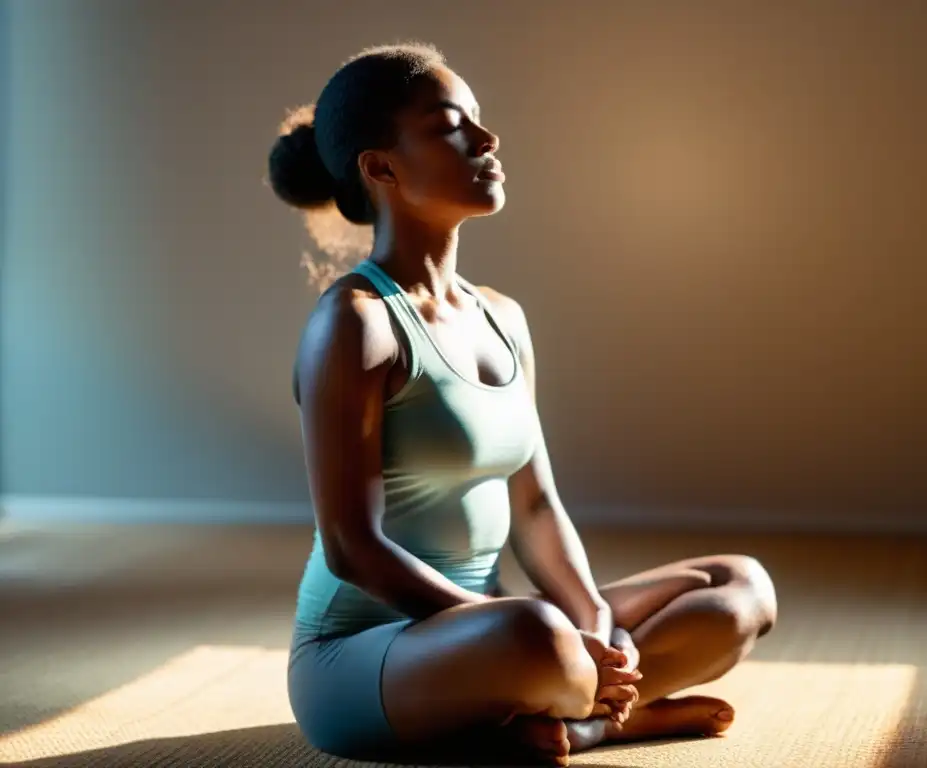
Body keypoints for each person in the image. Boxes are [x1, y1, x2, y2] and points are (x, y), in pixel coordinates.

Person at [267, 42, 777, 766]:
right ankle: (588, 699)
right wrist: (546, 633)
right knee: (534, 636)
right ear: (381, 167)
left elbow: (536, 509)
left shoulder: (502, 316)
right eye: (450, 124)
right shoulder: (352, 322)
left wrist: (594, 623)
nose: (486, 138)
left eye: (478, 118)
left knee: (739, 587)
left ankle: (584, 719)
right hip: (363, 656)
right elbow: (352, 549)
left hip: (498, 629)